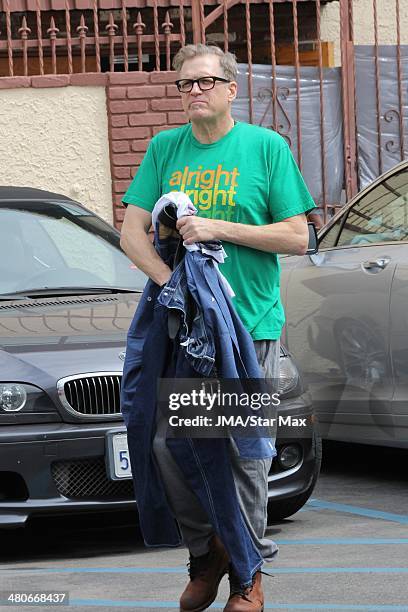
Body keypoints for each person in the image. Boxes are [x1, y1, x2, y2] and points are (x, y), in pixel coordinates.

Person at [120, 44, 315, 612]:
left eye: (205, 82)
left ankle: (247, 580)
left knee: (244, 455)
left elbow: (296, 236)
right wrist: (170, 284)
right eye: (185, 85)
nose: (195, 91)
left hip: (248, 328)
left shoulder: (265, 148)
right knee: (169, 444)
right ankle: (208, 553)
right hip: (188, 330)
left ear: (232, 89)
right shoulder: (164, 149)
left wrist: (217, 229)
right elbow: (132, 233)